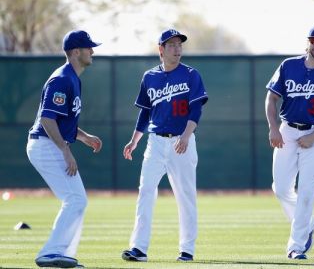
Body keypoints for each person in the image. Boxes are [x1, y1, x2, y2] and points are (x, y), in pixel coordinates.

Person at [121, 29, 208, 263]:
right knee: (145, 192)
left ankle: (187, 250)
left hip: (182, 141)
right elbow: (145, 112)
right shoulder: (149, 77)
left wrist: (187, 136)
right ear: (161, 49)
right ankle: (138, 248)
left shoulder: (191, 74)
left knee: (185, 196)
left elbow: (196, 109)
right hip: (155, 143)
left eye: (179, 44)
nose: (177, 48)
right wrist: (134, 140)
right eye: (171, 45)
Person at [265, 25, 314, 260]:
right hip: (287, 130)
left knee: (307, 192)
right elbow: (271, 98)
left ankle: (296, 246)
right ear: (308, 42)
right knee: (280, 188)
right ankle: (308, 223)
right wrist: (273, 128)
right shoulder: (289, 65)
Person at [27, 30, 102, 268]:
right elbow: (47, 120)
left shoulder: (72, 78)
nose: (93, 51)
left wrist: (83, 136)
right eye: (88, 47)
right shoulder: (62, 79)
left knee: (77, 199)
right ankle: (51, 252)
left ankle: (63, 255)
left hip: (50, 143)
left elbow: (61, 121)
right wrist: (65, 150)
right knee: (75, 199)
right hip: (45, 144)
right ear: (76, 52)